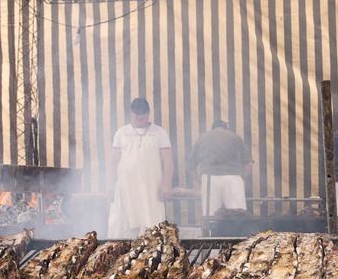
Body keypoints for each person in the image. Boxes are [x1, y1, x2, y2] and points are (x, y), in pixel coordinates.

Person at [106, 98, 174, 238]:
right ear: (130, 112)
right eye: (137, 113)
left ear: (148, 113)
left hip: (152, 186)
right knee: (128, 226)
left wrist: (167, 185)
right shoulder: (122, 132)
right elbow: (112, 161)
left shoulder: (159, 132)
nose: (140, 117)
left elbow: (168, 161)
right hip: (127, 186)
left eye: (143, 113)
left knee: (154, 226)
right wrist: (109, 184)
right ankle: (127, 256)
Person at [186, 120, 253, 217]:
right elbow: (249, 164)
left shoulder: (203, 138)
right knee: (238, 215)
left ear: (213, 128)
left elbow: (189, 167)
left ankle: (210, 232)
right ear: (226, 128)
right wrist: (242, 178)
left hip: (209, 179)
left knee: (210, 216)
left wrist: (201, 181)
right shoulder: (236, 137)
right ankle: (238, 232)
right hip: (233, 178)